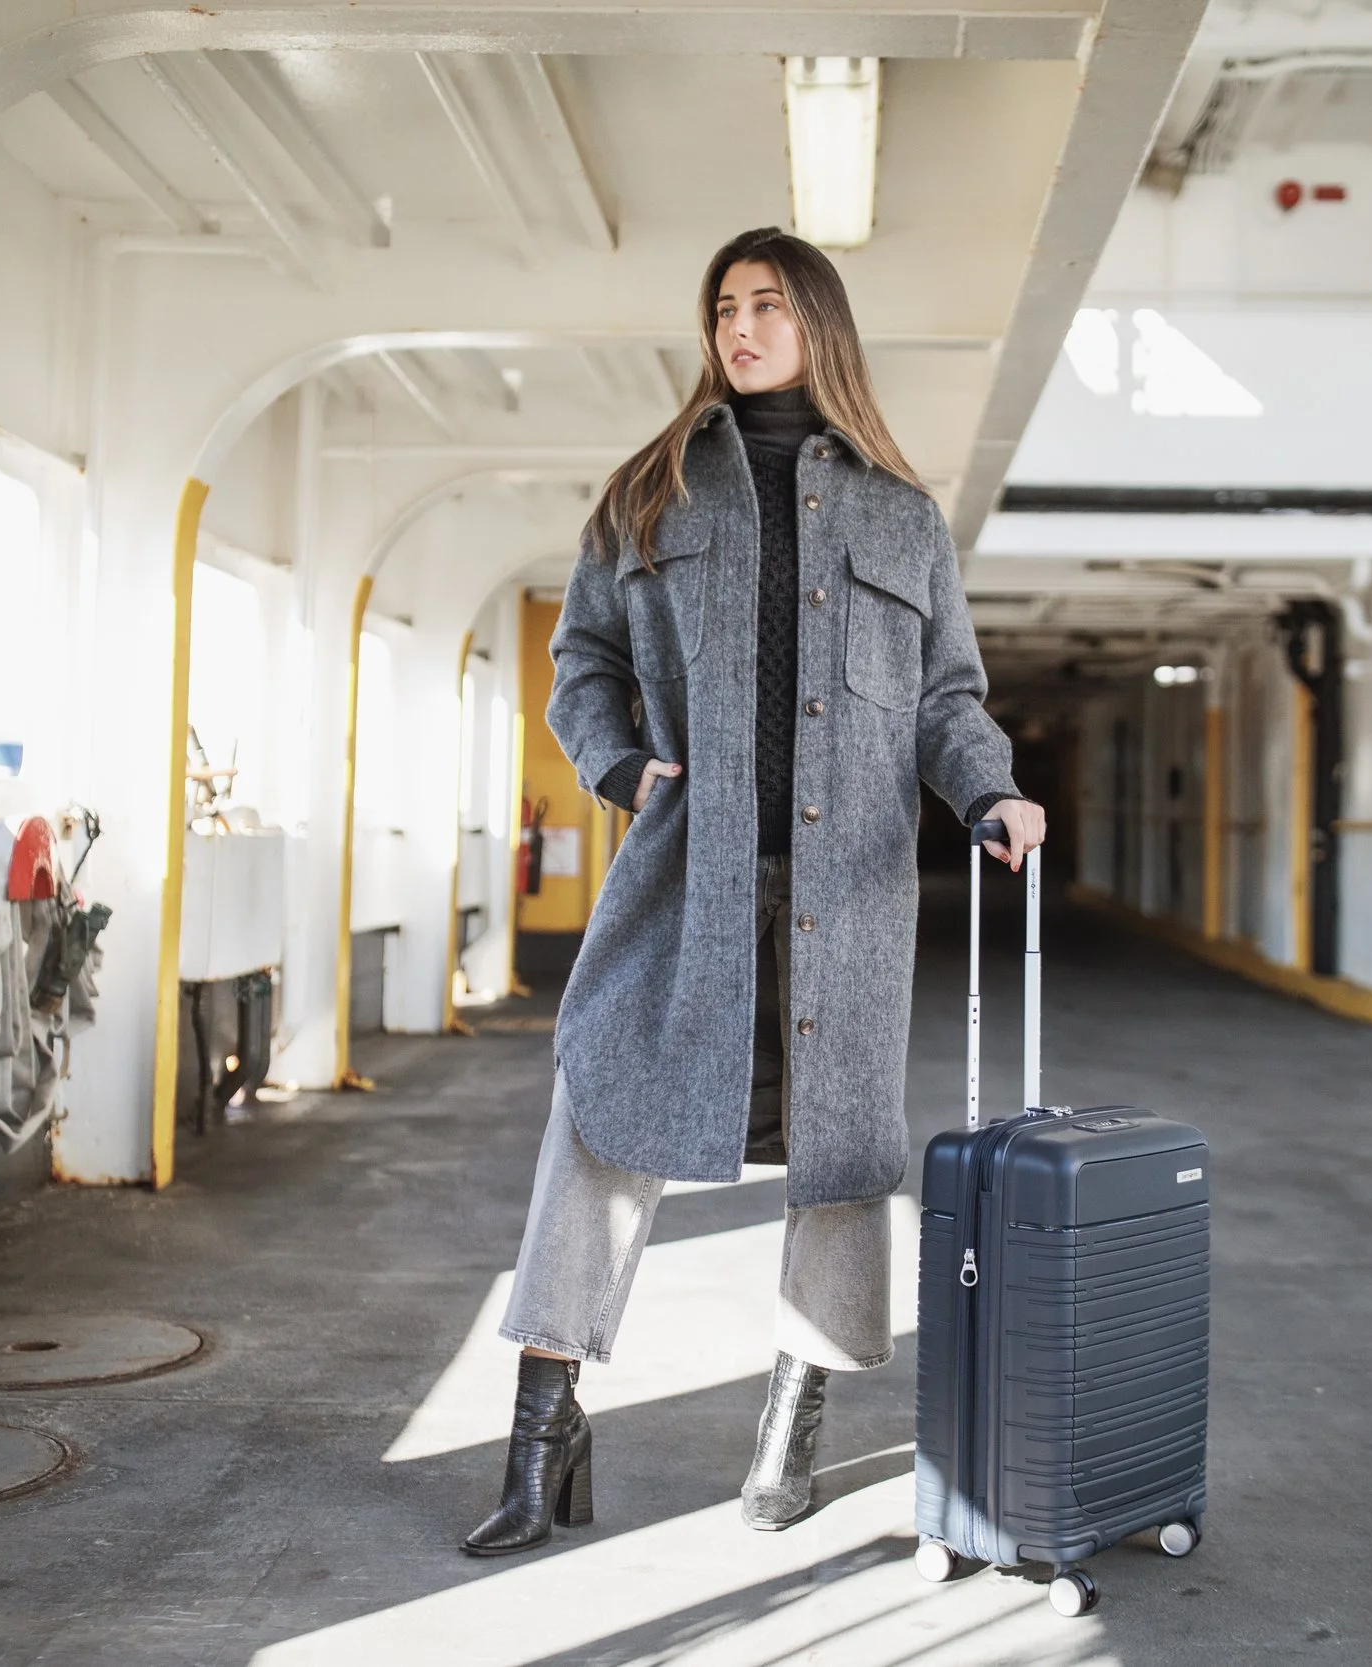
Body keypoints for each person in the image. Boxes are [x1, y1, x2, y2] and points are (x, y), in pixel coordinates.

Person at [462, 226, 1046, 1556]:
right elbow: (582, 664)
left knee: (840, 1156)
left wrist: (992, 792)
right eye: (724, 306)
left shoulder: (903, 516)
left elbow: (947, 700)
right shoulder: (649, 493)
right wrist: (620, 765)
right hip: (688, 878)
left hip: (851, 890)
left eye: (769, 304)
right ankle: (542, 1426)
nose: (740, 326)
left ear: (819, 324)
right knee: (601, 1117)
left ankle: (796, 1418)